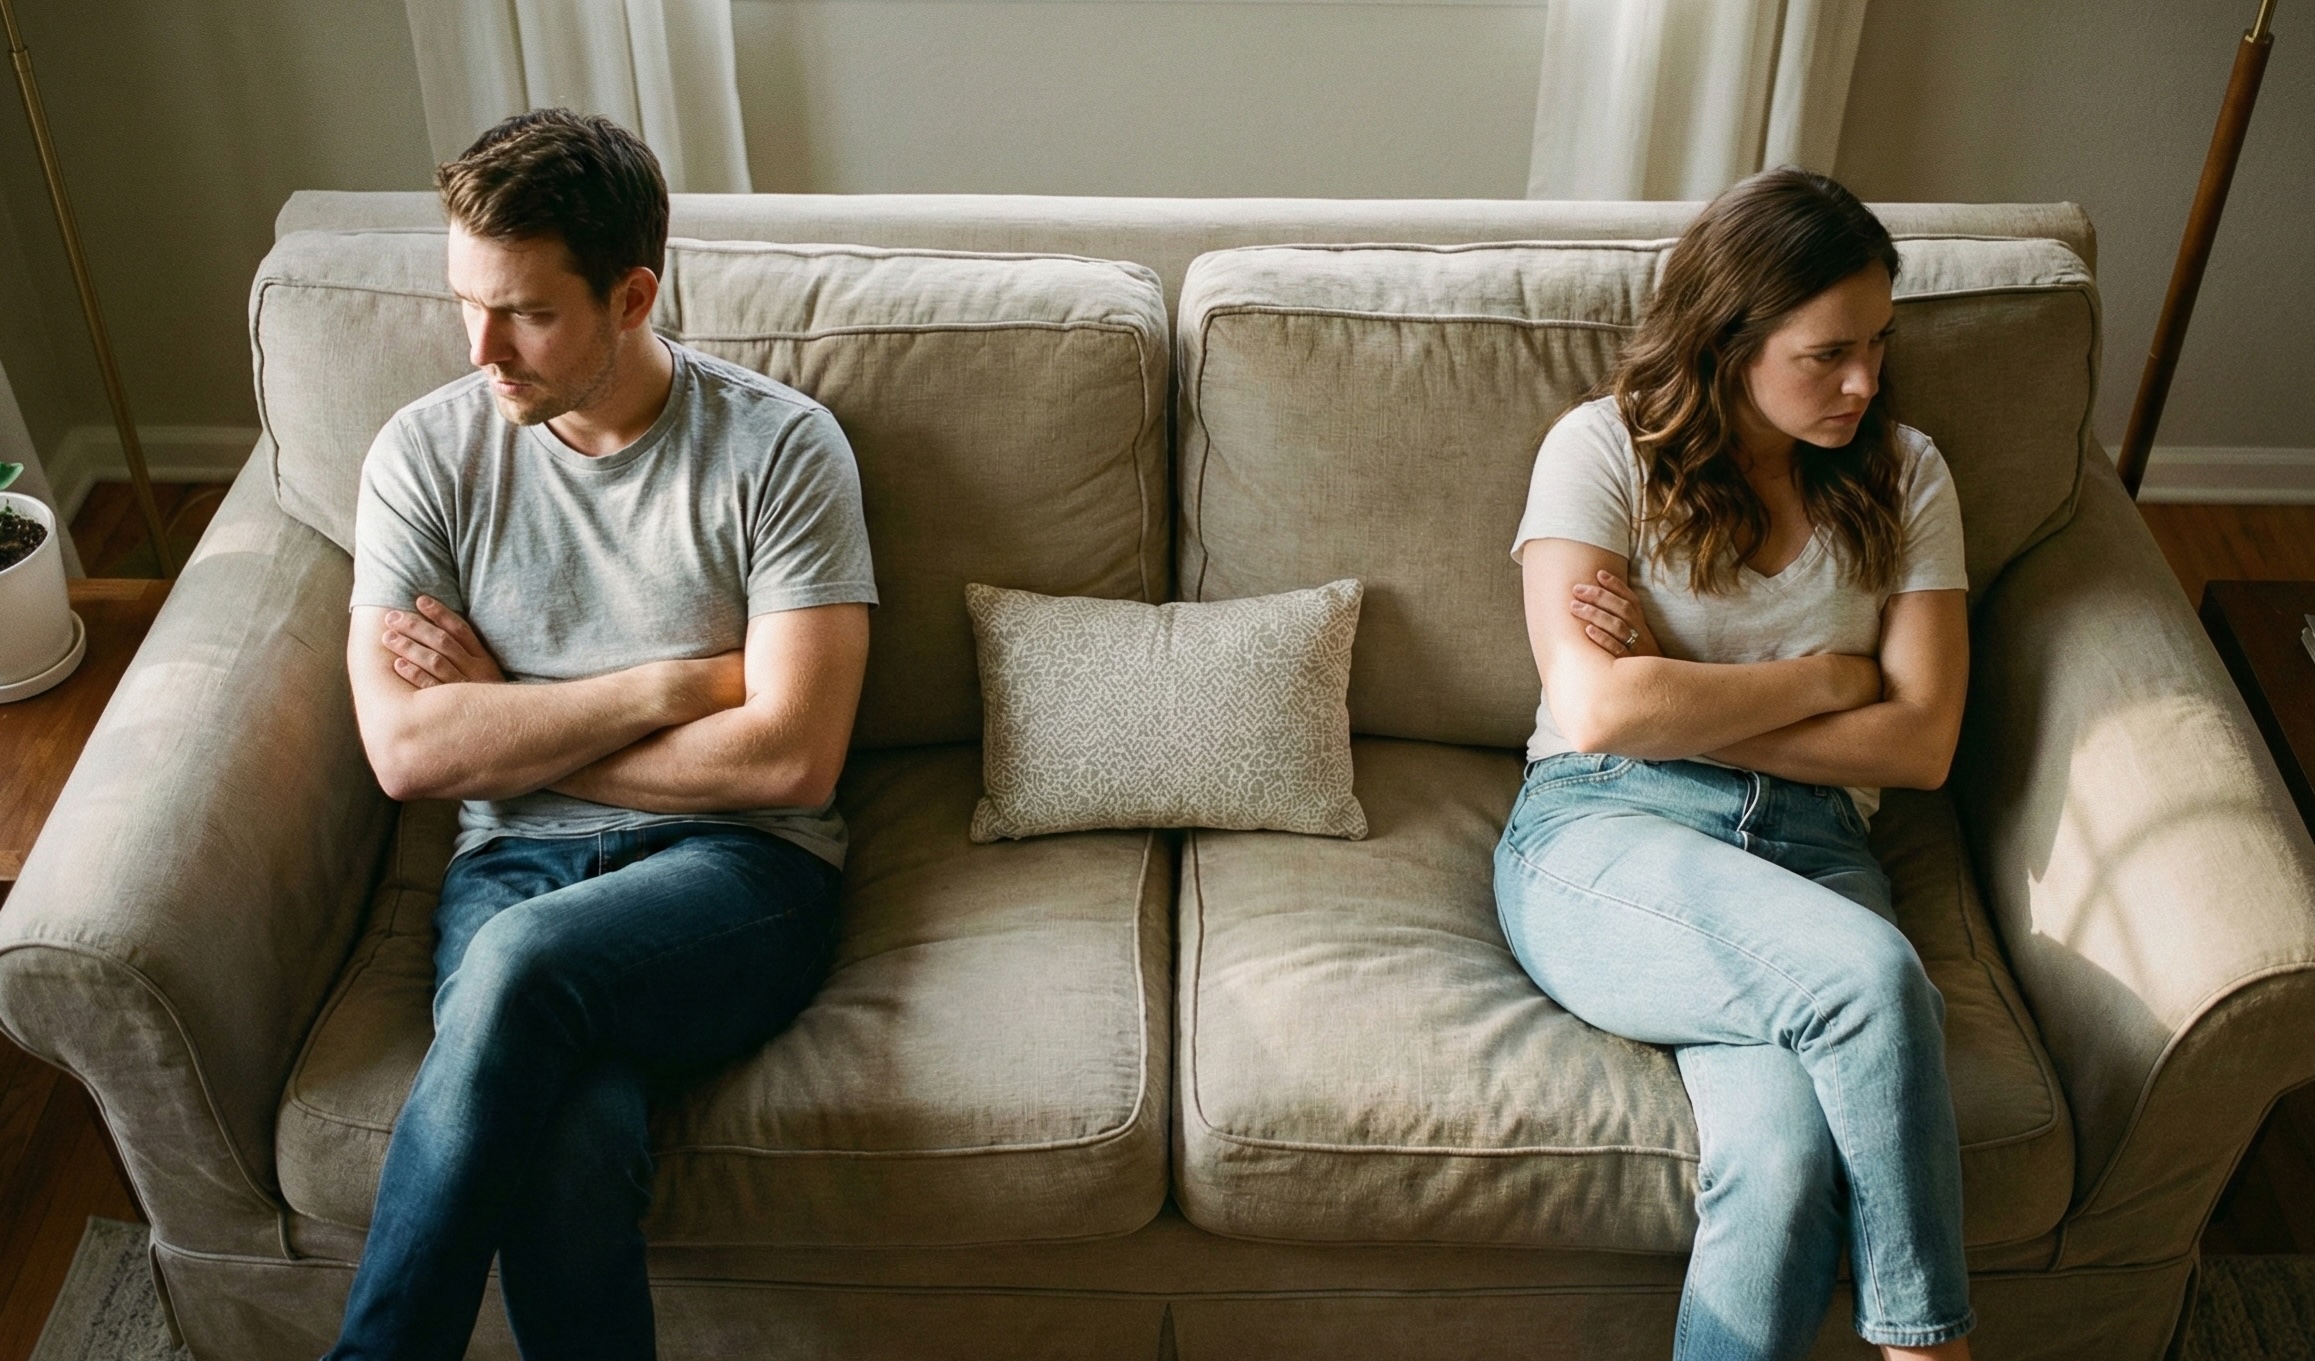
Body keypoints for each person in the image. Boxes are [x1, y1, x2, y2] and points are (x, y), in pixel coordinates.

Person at [331, 109, 877, 1360]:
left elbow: (791, 757)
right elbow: (408, 753)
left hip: (740, 868)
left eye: (526, 312)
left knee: (524, 965)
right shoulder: (423, 454)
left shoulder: (779, 450)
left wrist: (506, 712)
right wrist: (676, 686)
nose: (482, 349)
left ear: (631, 296)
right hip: (512, 860)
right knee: (569, 1147)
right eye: (466, 301)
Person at [1492, 168, 1974, 1361]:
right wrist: (1826, 678)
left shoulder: (1906, 472)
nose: (1861, 380)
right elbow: (1601, 711)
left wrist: (1684, 694)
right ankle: (1928, 1344)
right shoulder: (1597, 449)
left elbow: (1919, 743)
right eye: (1824, 353)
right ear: (1725, 339)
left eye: (1876, 344)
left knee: (1782, 1161)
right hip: (1606, 830)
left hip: (1816, 850)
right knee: (1868, 976)